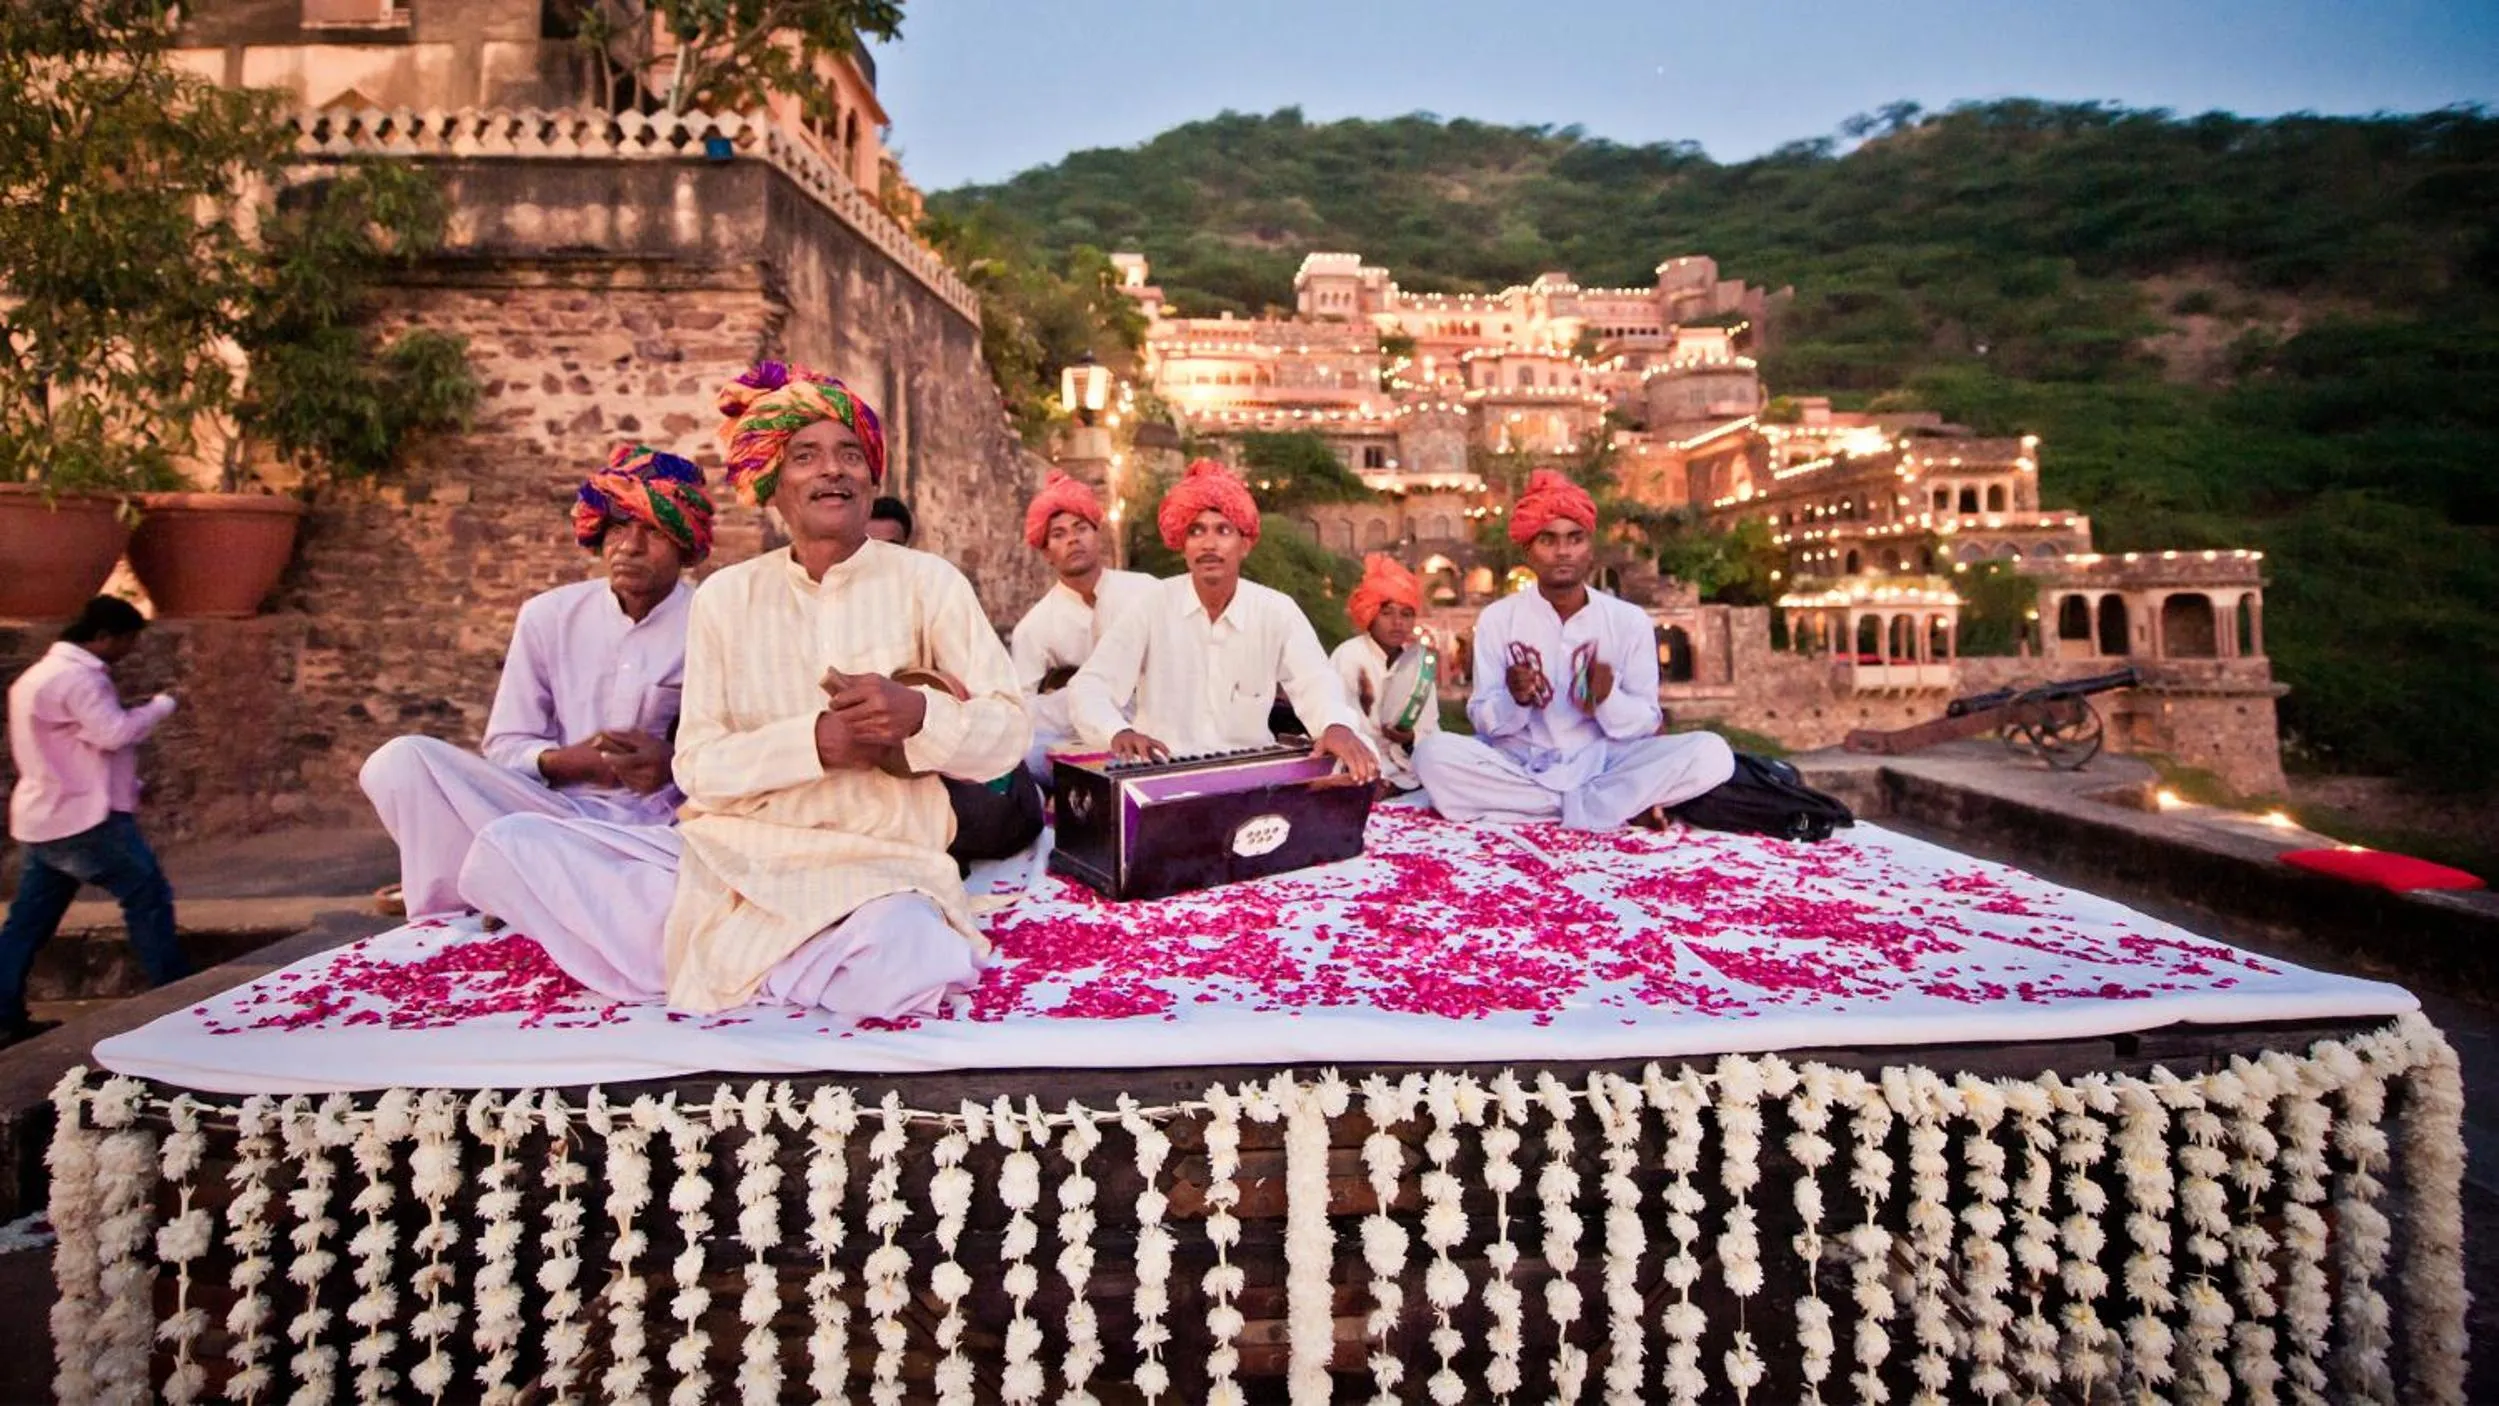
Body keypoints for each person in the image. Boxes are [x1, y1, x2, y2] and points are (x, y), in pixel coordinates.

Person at [458, 363, 1030, 1020]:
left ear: (872, 479)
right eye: (806, 457)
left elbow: (1007, 734)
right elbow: (697, 765)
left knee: (910, 957)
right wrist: (815, 743)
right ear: (770, 483)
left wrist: (920, 716)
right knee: (514, 846)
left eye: (849, 455)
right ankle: (786, 963)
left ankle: (731, 962)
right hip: (729, 858)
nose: (832, 471)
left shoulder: (931, 583)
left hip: (875, 866)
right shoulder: (728, 598)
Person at [357, 444, 710, 917]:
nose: (629, 547)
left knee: (658, 880)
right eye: (619, 527)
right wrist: (568, 762)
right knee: (399, 762)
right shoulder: (549, 616)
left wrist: (673, 765)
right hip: (544, 815)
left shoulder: (713, 618)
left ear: (685, 546)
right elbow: (504, 746)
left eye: (653, 531)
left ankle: (500, 885)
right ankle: (480, 895)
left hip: (655, 832)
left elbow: (736, 749)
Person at [1412, 469, 1733, 828]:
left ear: (1590, 547)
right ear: (1528, 551)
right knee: (1432, 755)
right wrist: (1514, 700)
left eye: (1574, 538)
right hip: (1521, 762)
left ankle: (1535, 810)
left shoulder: (1628, 621)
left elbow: (1647, 721)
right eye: (1548, 540)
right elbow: (1483, 719)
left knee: (1712, 753)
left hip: (1604, 761)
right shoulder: (1497, 619)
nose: (1563, 551)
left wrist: (1606, 700)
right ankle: (1603, 807)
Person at [1069, 459, 1377, 782]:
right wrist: (1116, 731)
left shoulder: (1276, 611)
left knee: (1357, 752)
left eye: (1223, 530)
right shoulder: (1151, 606)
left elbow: (1315, 679)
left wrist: (1335, 725)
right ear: (1183, 546)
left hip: (1249, 778)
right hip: (1164, 778)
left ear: (1245, 545)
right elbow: (1090, 686)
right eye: (1196, 531)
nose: (1209, 544)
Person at [1, 597, 185, 1047]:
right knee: (147, 896)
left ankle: (4, 1016)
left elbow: (80, 745)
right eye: (126, 641)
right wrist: (161, 706)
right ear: (104, 637)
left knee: (27, 923)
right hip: (83, 819)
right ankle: (180, 1001)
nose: (127, 650)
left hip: (45, 814)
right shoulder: (78, 679)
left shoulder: (37, 677)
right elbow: (113, 733)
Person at [1008, 469, 1156, 776]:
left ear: (1097, 535)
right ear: (1047, 553)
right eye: (1059, 534)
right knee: (1025, 754)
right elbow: (1022, 710)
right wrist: (1082, 702)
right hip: (1079, 745)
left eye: (1081, 528)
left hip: (1155, 733)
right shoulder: (1034, 628)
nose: (1073, 539)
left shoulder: (1146, 591)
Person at [1330, 553, 1441, 791]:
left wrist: (1410, 738)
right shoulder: (1348, 656)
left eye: (1406, 614)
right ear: (1370, 614)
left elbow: (1430, 727)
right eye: (1387, 612)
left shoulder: (1418, 664)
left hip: (1411, 768)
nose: (1398, 622)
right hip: (1362, 766)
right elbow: (1341, 725)